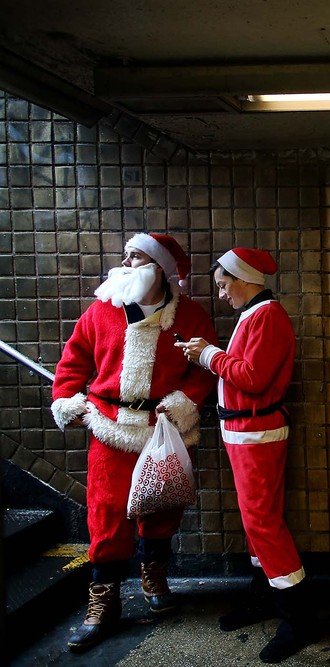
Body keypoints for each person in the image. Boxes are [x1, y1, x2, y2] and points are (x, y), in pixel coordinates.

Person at [51, 232, 218, 651]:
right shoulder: (100, 311)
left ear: (159, 269)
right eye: (124, 256)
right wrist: (66, 400)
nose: (125, 263)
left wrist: (184, 403)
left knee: (162, 504)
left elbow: (201, 371)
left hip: (164, 427)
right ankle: (103, 602)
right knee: (106, 513)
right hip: (111, 424)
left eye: (136, 257)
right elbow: (72, 363)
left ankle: (154, 574)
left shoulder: (191, 317)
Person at [177, 247, 314, 663]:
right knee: (255, 521)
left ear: (244, 279)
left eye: (223, 285)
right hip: (244, 431)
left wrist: (206, 355)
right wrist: (210, 355)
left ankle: (299, 619)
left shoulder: (268, 316)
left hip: (257, 432)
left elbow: (252, 378)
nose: (221, 294)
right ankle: (266, 599)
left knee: (264, 523)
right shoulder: (255, 315)